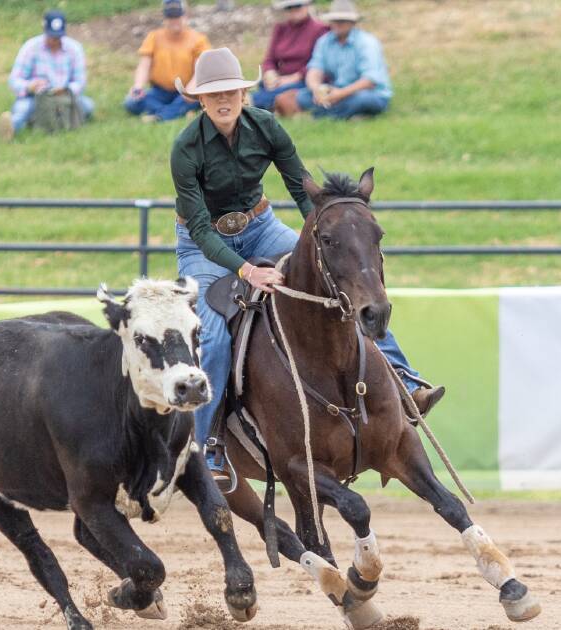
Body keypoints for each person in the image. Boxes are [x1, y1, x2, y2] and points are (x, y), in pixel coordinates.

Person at [169, 48, 444, 484]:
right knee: (216, 333)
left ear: (243, 93)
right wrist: (246, 270)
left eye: (230, 91)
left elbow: (303, 191)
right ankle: (210, 447)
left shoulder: (267, 127)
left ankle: (406, 382)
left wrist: (320, 235)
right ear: (199, 101)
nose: (223, 100)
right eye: (212, 94)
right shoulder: (185, 148)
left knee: (339, 287)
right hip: (204, 246)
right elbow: (201, 228)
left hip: (261, 226)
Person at [0, 10, 93, 142]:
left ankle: (42, 119)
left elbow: (80, 82)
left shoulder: (75, 49)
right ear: (44, 31)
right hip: (36, 97)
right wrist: (29, 86)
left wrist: (65, 90)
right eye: (51, 37)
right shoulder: (30, 48)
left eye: (58, 37)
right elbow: (14, 81)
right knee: (22, 110)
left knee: (88, 106)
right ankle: (11, 128)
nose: (54, 41)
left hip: (63, 97)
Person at [296, 0, 392, 120]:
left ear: (352, 22)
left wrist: (340, 94)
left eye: (342, 21)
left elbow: (369, 81)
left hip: (367, 93)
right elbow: (315, 69)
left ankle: (322, 115)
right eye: (334, 20)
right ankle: (349, 115)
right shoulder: (324, 41)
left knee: (362, 99)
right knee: (302, 96)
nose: (337, 24)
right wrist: (316, 89)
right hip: (337, 90)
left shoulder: (367, 42)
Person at [124, 0, 211, 122]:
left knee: (195, 99)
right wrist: (138, 86)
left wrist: (190, 91)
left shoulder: (199, 40)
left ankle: (161, 116)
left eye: (177, 16)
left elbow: (200, 70)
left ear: (185, 16)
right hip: (160, 91)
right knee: (131, 102)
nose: (174, 20)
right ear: (165, 17)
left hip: (185, 91)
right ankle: (175, 111)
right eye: (170, 16)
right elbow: (144, 66)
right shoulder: (153, 37)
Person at [253, 0, 328, 113]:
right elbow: (269, 59)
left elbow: (319, 62)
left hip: (304, 80)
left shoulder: (320, 29)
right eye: (289, 7)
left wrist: (295, 77)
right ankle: (267, 104)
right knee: (265, 85)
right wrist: (270, 72)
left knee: (279, 91)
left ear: (307, 6)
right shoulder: (280, 28)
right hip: (280, 79)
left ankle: (252, 102)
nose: (293, 10)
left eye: (297, 6)